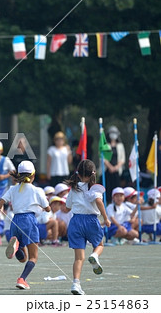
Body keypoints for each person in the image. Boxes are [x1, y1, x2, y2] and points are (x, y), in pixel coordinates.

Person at [0, 160, 51, 290]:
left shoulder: (13, 189)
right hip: (29, 220)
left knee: (23, 259)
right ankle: (22, 279)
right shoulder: (37, 190)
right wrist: (42, 207)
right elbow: (48, 209)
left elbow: (1, 201)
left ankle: (17, 247)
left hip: (15, 220)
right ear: (33, 175)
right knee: (34, 257)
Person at [64, 159, 111, 295]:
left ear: (78, 174)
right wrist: (106, 218)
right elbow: (99, 201)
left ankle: (75, 283)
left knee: (78, 258)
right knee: (100, 245)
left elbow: (67, 207)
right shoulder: (95, 188)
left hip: (76, 221)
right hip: (91, 220)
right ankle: (95, 256)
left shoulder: (74, 188)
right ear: (93, 173)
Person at [104, 126, 125, 202]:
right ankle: (108, 201)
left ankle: (116, 201)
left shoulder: (120, 145)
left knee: (116, 187)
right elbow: (103, 158)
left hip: (117, 170)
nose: (113, 135)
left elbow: (122, 159)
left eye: (115, 133)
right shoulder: (105, 145)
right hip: (108, 170)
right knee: (108, 187)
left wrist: (116, 167)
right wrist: (110, 167)